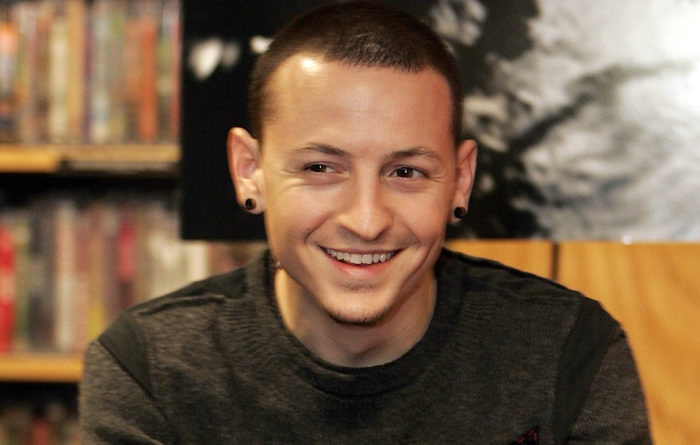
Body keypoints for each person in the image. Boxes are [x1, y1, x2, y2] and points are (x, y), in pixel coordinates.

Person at [80, 2, 650, 443]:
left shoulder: (569, 353)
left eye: (406, 171)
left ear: (460, 179)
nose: (367, 220)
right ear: (249, 171)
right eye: (322, 167)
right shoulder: (147, 368)